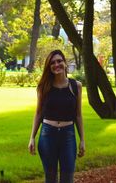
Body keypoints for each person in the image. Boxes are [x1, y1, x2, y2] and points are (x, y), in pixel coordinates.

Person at [28, 49, 85, 183]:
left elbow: (78, 115)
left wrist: (82, 139)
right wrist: (32, 137)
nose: (56, 64)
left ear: (65, 63)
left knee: (67, 179)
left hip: (68, 136)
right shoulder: (44, 86)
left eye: (59, 61)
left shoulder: (76, 86)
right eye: (52, 63)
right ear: (49, 67)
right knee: (51, 179)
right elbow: (38, 113)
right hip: (48, 135)